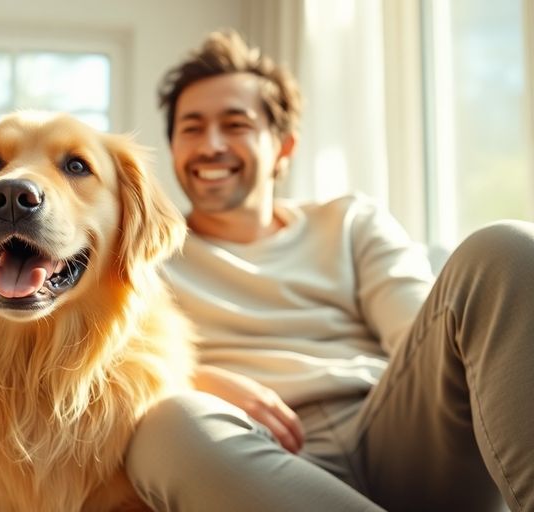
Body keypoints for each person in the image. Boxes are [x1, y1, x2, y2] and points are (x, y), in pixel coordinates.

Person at [125, 30, 534, 511]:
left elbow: (422, 329)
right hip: (254, 461)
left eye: (236, 124)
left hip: (397, 434)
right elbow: (102, 367)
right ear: (172, 147)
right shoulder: (140, 254)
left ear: (283, 146)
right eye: (191, 128)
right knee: (167, 423)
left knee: (506, 247)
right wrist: (191, 377)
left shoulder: (349, 222)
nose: (211, 145)